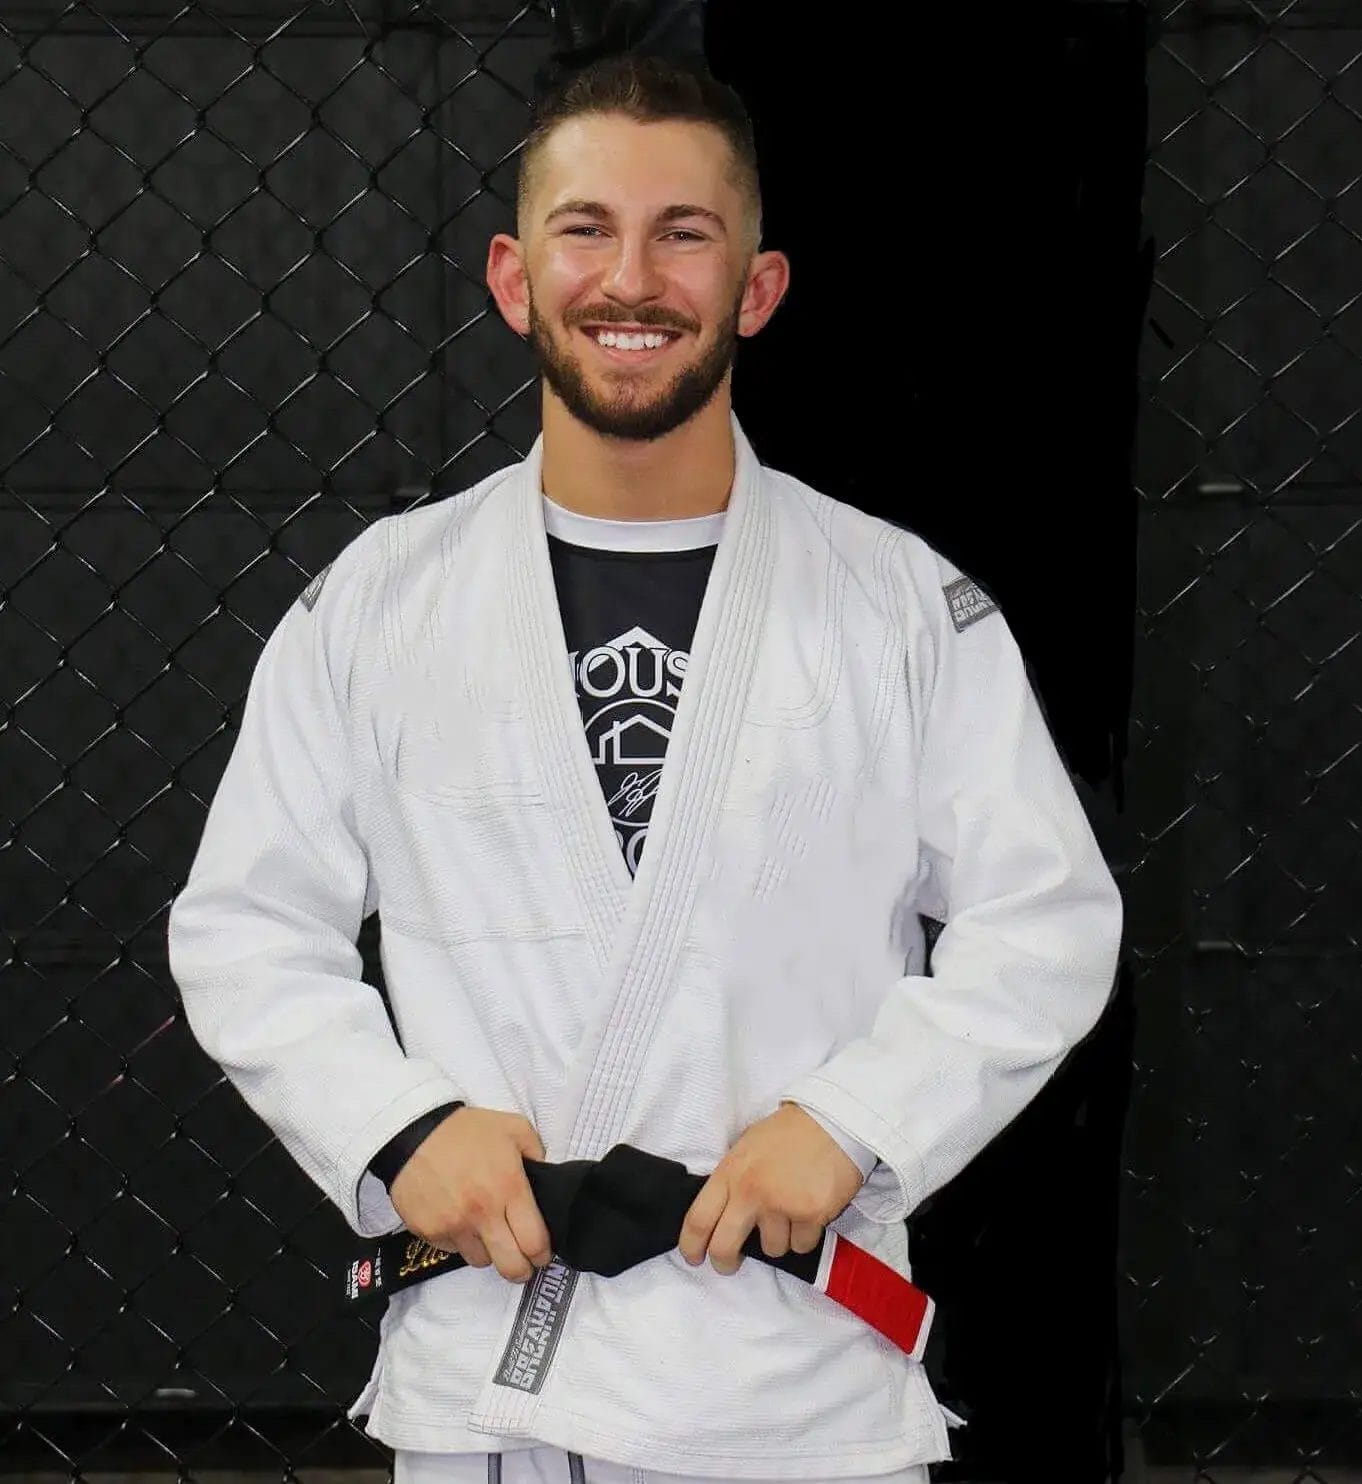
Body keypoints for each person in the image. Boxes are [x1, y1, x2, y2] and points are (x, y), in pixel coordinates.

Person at [167, 53, 1123, 1484]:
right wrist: (402, 1130)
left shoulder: (897, 604)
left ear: (757, 286)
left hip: (790, 1373)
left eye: (683, 234)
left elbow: (1044, 920)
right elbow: (244, 926)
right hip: (494, 1360)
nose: (630, 279)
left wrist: (853, 1124)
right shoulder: (382, 601)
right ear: (512, 278)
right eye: (585, 229)